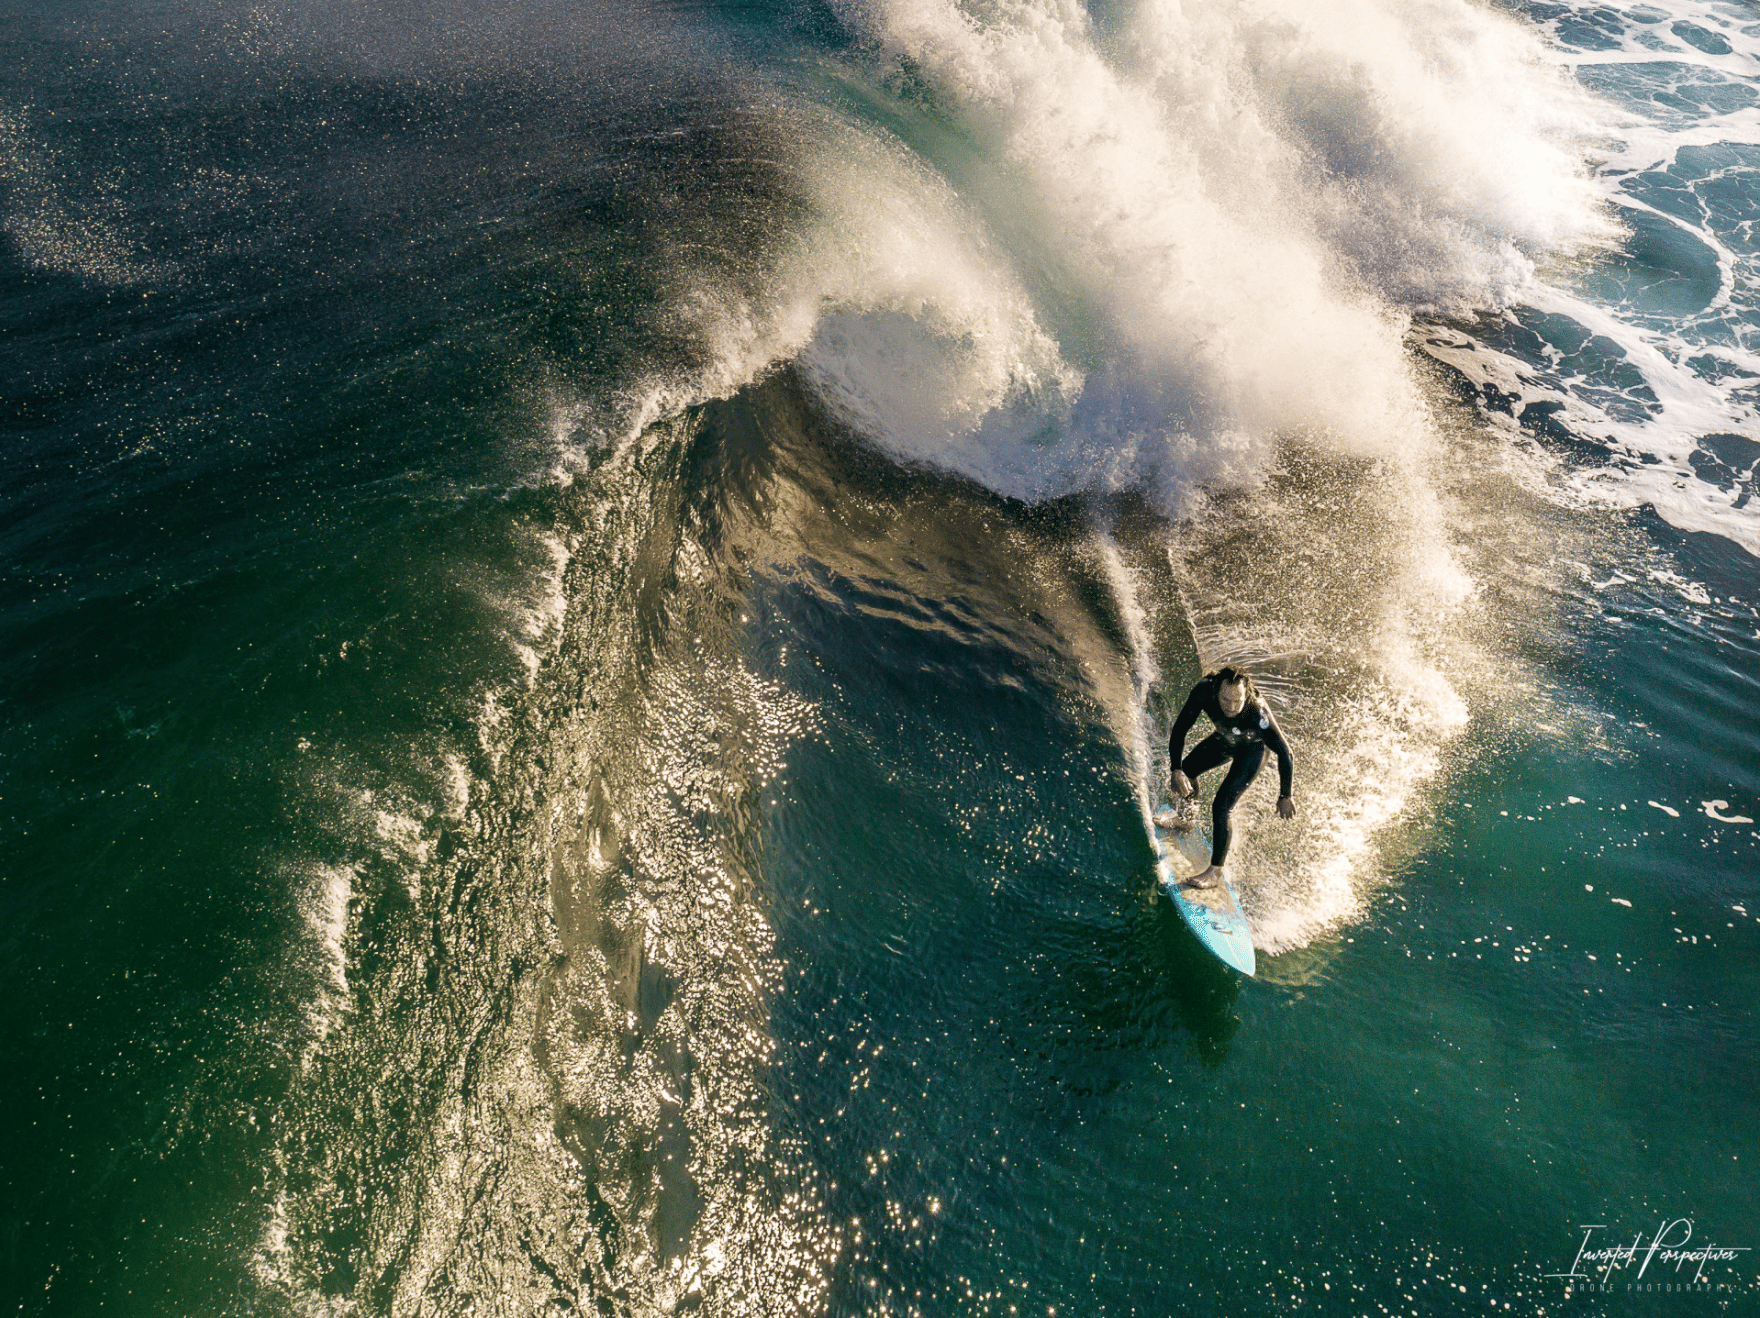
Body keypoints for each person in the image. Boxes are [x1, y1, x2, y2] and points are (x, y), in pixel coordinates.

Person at [1164, 665, 1294, 889]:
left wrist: (1285, 794)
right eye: (1226, 700)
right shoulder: (1204, 691)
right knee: (1186, 770)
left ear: (1246, 694)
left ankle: (1215, 872)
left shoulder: (1258, 712)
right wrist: (1175, 769)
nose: (1232, 707)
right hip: (1226, 739)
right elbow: (1179, 729)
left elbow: (1285, 752)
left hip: (1253, 750)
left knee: (1222, 805)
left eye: (1238, 701)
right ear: (1216, 690)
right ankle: (1186, 819)